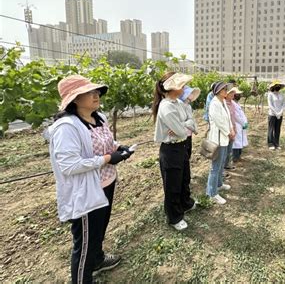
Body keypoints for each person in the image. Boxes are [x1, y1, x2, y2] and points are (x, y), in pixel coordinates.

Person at [46, 75, 134, 284]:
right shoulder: (67, 127)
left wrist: (118, 149)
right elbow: (69, 165)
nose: (96, 95)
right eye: (89, 92)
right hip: (86, 191)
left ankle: (98, 259)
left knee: (98, 230)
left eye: (97, 91)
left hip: (106, 183)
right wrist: (106, 159)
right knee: (84, 243)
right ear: (75, 99)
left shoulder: (99, 117)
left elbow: (106, 142)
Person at [153, 72, 197, 231]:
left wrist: (183, 124)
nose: (184, 88)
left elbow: (191, 121)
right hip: (171, 150)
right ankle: (174, 216)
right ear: (173, 87)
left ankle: (185, 203)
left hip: (181, 146)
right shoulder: (166, 106)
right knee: (172, 185)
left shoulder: (178, 103)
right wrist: (184, 125)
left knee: (184, 177)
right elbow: (180, 130)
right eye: (182, 85)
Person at [206, 82, 234, 204]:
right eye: (223, 89)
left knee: (221, 163)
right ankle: (211, 193)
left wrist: (231, 129)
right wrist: (229, 132)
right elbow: (219, 122)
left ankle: (219, 184)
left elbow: (228, 119)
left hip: (224, 138)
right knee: (215, 167)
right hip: (218, 139)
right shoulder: (214, 104)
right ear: (217, 91)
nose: (226, 91)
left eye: (225, 89)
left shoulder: (222, 102)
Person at [179, 85, 201, 163]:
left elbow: (192, 119)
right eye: (190, 93)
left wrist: (194, 128)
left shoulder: (188, 106)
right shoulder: (180, 106)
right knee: (183, 155)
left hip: (189, 134)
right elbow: (186, 122)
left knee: (188, 152)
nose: (191, 95)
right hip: (183, 134)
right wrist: (193, 128)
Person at [231, 89, 249, 162]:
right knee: (236, 142)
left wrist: (245, 122)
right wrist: (243, 123)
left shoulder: (237, 103)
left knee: (239, 141)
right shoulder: (232, 104)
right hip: (237, 125)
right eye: (237, 94)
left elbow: (241, 114)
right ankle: (235, 157)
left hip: (240, 125)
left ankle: (238, 156)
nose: (239, 96)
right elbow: (236, 116)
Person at [267, 81, 285, 150]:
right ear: (273, 86)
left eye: (279, 86)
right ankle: (270, 143)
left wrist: (280, 112)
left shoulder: (281, 94)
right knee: (271, 129)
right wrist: (276, 113)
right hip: (272, 114)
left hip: (280, 114)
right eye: (277, 85)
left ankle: (276, 143)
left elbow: (283, 104)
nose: (278, 87)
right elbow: (270, 105)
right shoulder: (270, 94)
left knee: (277, 129)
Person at [224, 86, 238, 170]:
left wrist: (234, 129)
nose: (233, 94)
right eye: (231, 93)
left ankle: (227, 164)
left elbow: (233, 117)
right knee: (225, 149)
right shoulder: (224, 104)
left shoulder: (232, 103)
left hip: (233, 128)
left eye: (233, 93)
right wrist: (229, 130)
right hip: (227, 130)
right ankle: (223, 165)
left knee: (229, 149)